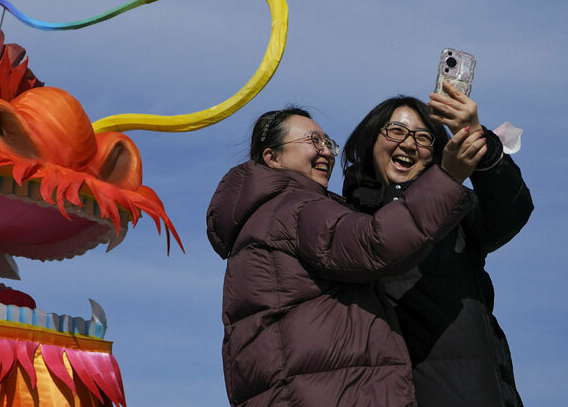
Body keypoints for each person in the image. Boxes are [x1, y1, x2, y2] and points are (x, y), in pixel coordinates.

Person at [206, 106, 486, 406]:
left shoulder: (257, 223)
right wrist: (448, 178)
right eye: (313, 141)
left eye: (328, 143)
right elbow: (377, 243)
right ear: (272, 157)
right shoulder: (296, 207)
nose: (326, 152)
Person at [342, 82, 533, 406]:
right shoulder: (344, 222)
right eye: (396, 131)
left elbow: (510, 212)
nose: (409, 143)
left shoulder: (455, 213)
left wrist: (478, 140)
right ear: (371, 139)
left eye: (423, 137)